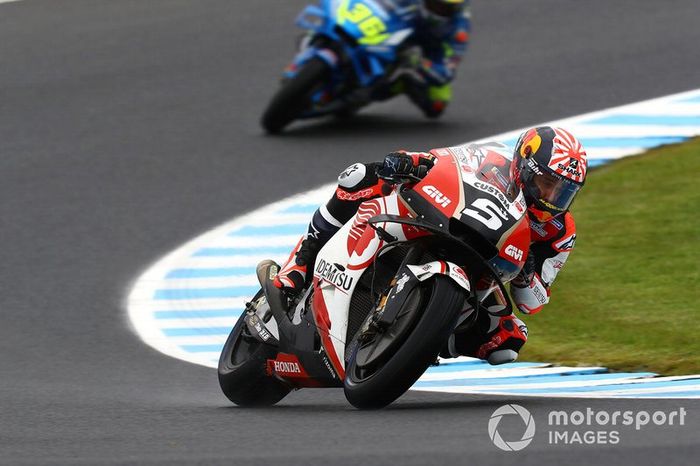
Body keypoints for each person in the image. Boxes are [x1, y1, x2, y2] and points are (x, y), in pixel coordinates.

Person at [274, 126, 588, 365]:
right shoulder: (494, 156)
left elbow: (534, 302)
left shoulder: (560, 230)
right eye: (548, 184)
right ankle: (302, 261)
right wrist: (410, 161)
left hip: (484, 267)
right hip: (441, 219)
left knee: (508, 341)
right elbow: (443, 160)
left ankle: (419, 342)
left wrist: (527, 274)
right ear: (524, 165)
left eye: (564, 192)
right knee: (360, 176)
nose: (552, 197)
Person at [374, 0, 472, 117]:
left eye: (445, 9)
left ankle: (400, 84)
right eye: (434, 4)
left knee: (437, 103)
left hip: (433, 47)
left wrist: (418, 62)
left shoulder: (459, 30)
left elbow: (446, 73)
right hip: (402, 23)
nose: (437, 10)